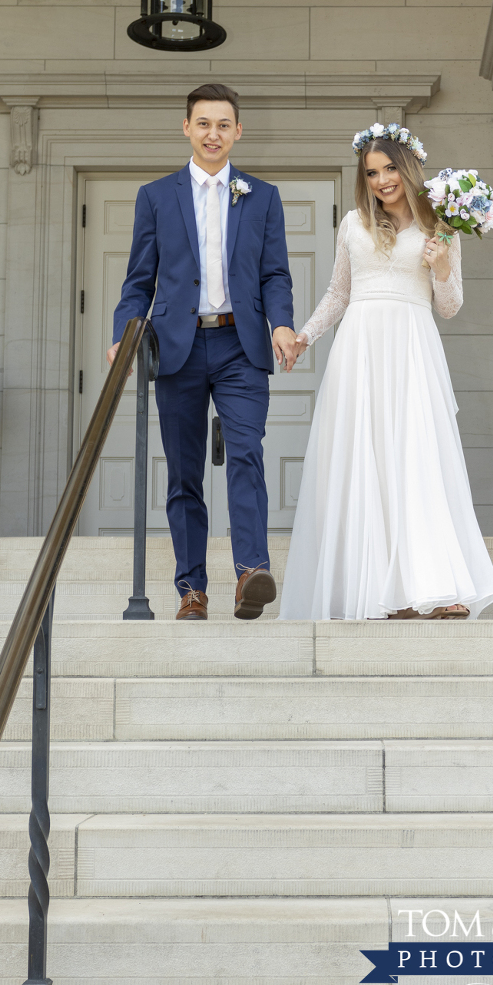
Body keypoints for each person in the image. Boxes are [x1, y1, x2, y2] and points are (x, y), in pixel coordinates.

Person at [279, 125, 493, 620]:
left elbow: (450, 306)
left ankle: (435, 586)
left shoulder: (441, 225)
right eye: (372, 173)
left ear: (409, 166)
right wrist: (304, 336)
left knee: (417, 460)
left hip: (412, 348)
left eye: (389, 169)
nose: (382, 181)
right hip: (359, 348)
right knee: (367, 461)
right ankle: (383, 593)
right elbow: (339, 293)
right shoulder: (353, 225)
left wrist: (442, 267)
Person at [109, 83, 297, 621]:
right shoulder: (156, 196)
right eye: (203, 124)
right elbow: (138, 282)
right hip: (177, 349)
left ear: (239, 131)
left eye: (223, 125)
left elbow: (275, 273)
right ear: (186, 128)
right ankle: (191, 589)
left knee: (246, 455)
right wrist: (127, 333)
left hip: (242, 345)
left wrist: (281, 324)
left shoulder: (262, 196)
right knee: (185, 471)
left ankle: (249, 575)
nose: (213, 134)